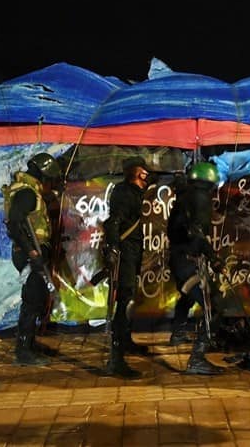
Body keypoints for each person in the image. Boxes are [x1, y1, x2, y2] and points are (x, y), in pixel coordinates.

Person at [167, 161, 226, 374]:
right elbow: (197, 235)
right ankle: (197, 357)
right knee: (215, 305)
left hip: (181, 260)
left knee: (189, 297)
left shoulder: (185, 198)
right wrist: (213, 257)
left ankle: (177, 332)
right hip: (187, 262)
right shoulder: (199, 199)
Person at [3, 152, 61, 365]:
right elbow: (15, 223)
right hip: (29, 254)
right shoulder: (27, 193)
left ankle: (30, 342)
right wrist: (32, 252)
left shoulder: (25, 189)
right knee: (31, 300)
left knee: (36, 298)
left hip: (29, 252)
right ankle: (23, 350)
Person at [102, 156, 155, 378]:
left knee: (129, 299)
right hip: (124, 253)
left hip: (130, 252)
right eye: (144, 171)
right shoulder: (125, 193)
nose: (147, 175)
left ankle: (125, 342)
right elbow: (114, 221)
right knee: (125, 302)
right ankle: (116, 360)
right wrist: (114, 249)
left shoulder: (132, 192)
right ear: (136, 172)